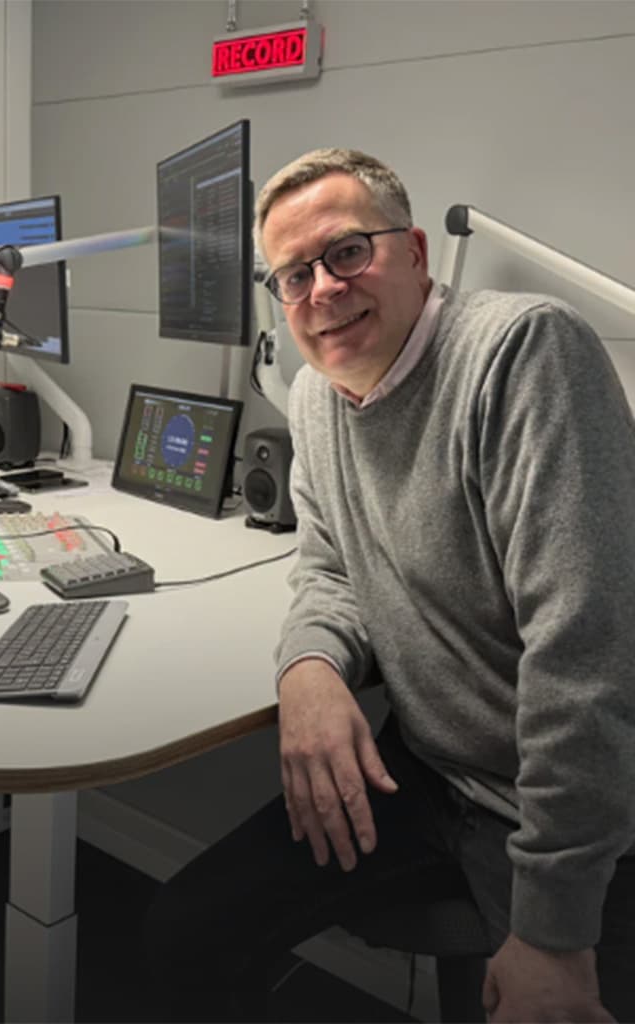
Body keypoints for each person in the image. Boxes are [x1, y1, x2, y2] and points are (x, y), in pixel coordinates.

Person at [146, 148, 635, 1022]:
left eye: (345, 253)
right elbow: (327, 566)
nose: (322, 291)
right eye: (293, 276)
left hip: (562, 806)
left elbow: (586, 661)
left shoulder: (523, 354)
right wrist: (309, 672)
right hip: (429, 771)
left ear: (412, 250)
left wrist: (556, 934)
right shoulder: (313, 397)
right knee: (183, 935)